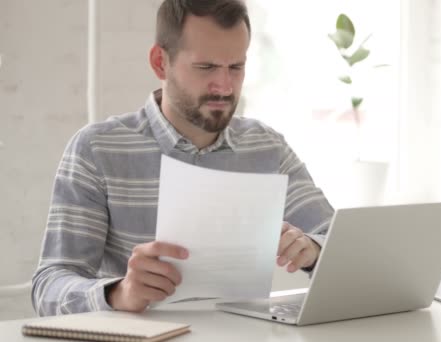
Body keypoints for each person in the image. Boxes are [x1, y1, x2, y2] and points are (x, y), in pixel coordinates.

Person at [31, 0, 334, 316]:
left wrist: (312, 251)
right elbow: (49, 287)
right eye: (206, 67)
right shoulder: (97, 150)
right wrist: (120, 292)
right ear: (160, 62)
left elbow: (338, 243)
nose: (225, 86)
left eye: (236, 67)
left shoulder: (267, 147)